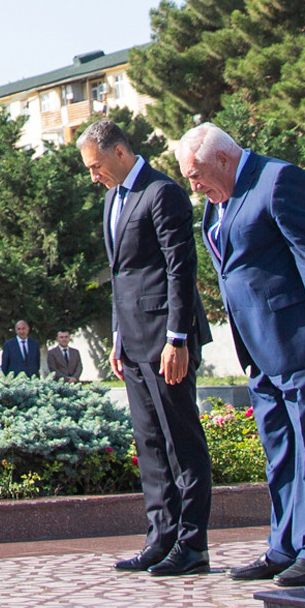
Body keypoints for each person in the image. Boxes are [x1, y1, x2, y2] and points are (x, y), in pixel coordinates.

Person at [177, 121, 305, 587]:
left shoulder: (279, 181)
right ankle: (284, 547)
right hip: (257, 349)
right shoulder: (219, 199)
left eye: (195, 174)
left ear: (222, 158)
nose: (193, 186)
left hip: (299, 341)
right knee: (279, 452)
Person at [77, 118, 212, 575]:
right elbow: (121, 274)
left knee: (181, 443)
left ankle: (192, 546)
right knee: (150, 444)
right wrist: (117, 337)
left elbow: (180, 268)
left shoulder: (163, 192)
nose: (93, 176)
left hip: (167, 340)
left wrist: (178, 337)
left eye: (96, 166)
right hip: (132, 343)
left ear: (119, 152)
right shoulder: (113, 199)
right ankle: (161, 537)